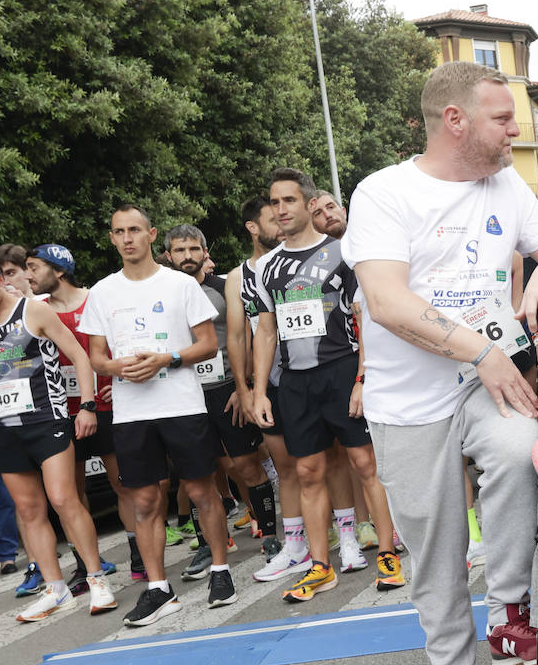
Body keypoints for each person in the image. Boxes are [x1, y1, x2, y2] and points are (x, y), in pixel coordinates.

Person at [345, 60, 538, 665]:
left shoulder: (505, 183)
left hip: (488, 383)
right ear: (456, 121)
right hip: (410, 401)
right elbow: (384, 300)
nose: (516, 128)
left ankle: (509, 610)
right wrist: (480, 351)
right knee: (436, 558)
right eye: (504, 118)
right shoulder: (384, 192)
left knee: (517, 452)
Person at [252, 169, 404, 599]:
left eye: (289, 201)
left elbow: (365, 319)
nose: (281, 210)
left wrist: (362, 378)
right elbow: (265, 331)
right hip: (296, 383)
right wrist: (261, 390)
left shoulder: (344, 253)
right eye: (275, 203)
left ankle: (388, 553)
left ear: (307, 204)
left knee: (364, 463)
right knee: (306, 470)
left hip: (341, 370)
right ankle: (321, 565)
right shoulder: (266, 267)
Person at [81, 205, 234, 625]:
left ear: (151, 235)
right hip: (132, 412)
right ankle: (158, 588)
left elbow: (206, 344)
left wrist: (166, 358)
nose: (127, 238)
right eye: (119, 231)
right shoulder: (102, 292)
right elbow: (96, 357)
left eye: (135, 230)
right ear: (112, 239)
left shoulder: (181, 284)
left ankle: (220, 571)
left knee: (203, 491)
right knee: (145, 501)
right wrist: (119, 367)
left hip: (181, 404)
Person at [0, 255, 116, 621]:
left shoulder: (33, 311)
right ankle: (54, 588)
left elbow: (77, 353)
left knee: (63, 498)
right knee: (28, 510)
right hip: (3, 426)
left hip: (48, 419)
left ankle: (96, 578)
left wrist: (88, 406)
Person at [163, 226, 280, 578]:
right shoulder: (165, 294)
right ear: (168, 255)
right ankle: (208, 545)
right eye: (180, 250)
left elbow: (243, 334)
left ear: (204, 251)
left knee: (245, 466)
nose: (187, 256)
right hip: (185, 394)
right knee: (197, 474)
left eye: (194, 249)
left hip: (225, 388)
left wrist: (242, 385)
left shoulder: (221, 288)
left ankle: (272, 535)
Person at [24, 244, 128, 585]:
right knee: (70, 493)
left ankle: (138, 554)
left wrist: (121, 382)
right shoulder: (35, 310)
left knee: (121, 485)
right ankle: (86, 566)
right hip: (60, 413)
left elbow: (121, 341)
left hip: (105, 405)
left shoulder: (95, 298)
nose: (29, 275)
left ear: (59, 271)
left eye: (34, 267)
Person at [225, 194, 308, 573]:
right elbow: (238, 336)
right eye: (271, 218)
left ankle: (357, 529)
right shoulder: (239, 277)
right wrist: (245, 390)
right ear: (253, 228)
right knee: (286, 465)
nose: (280, 222)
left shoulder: (298, 262)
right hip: (269, 383)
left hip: (309, 372)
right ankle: (296, 543)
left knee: (332, 461)